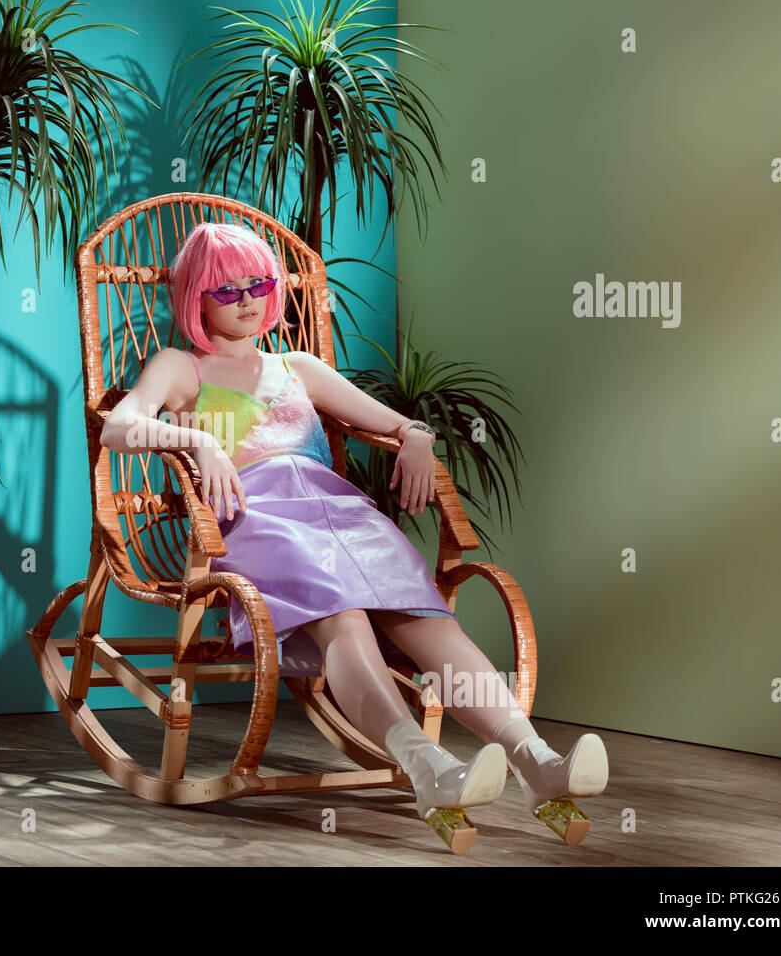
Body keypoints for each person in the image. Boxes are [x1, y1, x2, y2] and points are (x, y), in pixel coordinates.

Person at [101, 221, 608, 851]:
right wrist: (196, 438)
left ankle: (536, 760)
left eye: (258, 283)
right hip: (258, 522)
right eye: (225, 290)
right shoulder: (183, 367)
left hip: (343, 517)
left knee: (427, 620)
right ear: (195, 299)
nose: (247, 299)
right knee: (342, 618)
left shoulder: (297, 366)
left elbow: (396, 424)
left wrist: (417, 437)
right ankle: (427, 765)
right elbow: (118, 429)